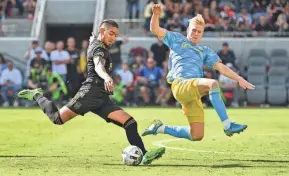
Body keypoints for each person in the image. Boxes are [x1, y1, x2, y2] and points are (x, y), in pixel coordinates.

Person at [17, 19, 165, 165]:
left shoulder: (98, 44)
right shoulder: (99, 49)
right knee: (57, 119)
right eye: (111, 34)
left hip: (102, 97)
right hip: (89, 93)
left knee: (130, 123)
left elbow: (96, 45)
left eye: (115, 35)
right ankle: (36, 95)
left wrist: (94, 39)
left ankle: (144, 155)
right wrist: (106, 76)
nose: (113, 38)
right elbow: (98, 65)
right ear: (102, 31)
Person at [142, 4, 255, 141]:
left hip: (193, 93)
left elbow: (221, 67)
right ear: (188, 29)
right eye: (194, 30)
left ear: (202, 33)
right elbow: (155, 29)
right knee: (213, 83)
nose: (196, 34)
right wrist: (156, 15)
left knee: (196, 135)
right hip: (181, 85)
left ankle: (159, 128)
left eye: (199, 32)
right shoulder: (177, 39)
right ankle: (227, 124)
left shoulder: (205, 50)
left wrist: (239, 79)